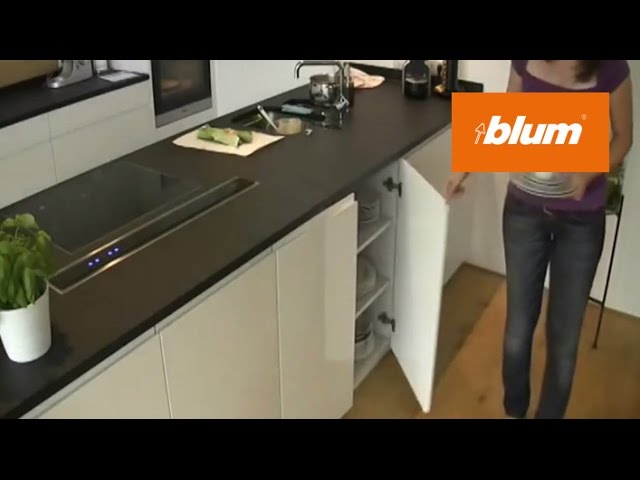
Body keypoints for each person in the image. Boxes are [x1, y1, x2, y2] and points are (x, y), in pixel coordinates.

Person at [445, 60, 634, 419]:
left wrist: (588, 172)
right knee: (517, 331)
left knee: (564, 341)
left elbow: (624, 136)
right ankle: (514, 409)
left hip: (582, 221)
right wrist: (463, 165)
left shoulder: (611, 66)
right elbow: (506, 120)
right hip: (523, 212)